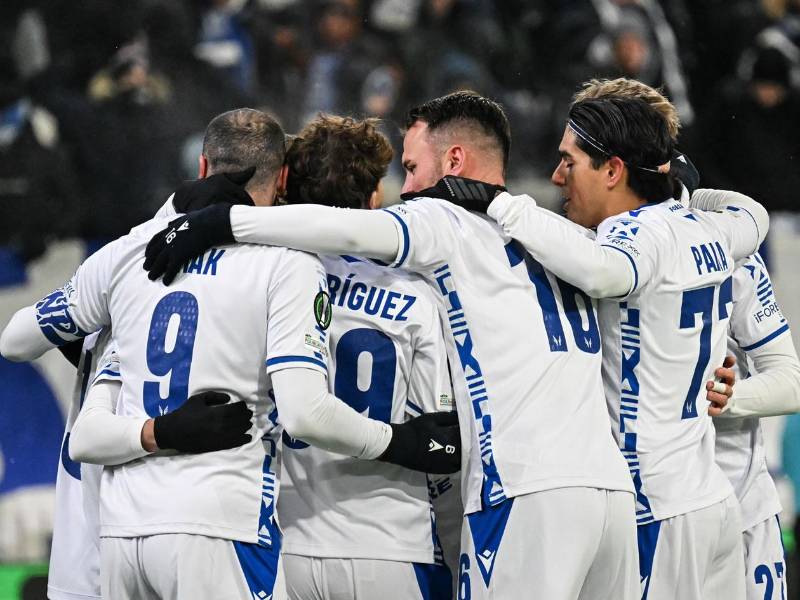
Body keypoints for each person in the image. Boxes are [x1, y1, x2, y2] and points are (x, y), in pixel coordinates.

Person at [143, 90, 640, 600]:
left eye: (412, 166)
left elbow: (348, 229)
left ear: (453, 161)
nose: (408, 188)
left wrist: (223, 221)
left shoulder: (440, 223)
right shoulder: (566, 240)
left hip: (519, 492)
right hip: (611, 494)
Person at [0, 108, 459, 600]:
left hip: (127, 528)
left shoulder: (132, 252)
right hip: (264, 526)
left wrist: (103, 345)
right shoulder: (304, 271)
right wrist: (406, 446)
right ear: (281, 180)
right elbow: (325, 414)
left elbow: (17, 341)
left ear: (201, 168)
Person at [485, 95, 769, 598]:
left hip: (655, 508)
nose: (556, 177)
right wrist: (678, 189)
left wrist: (502, 203)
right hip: (711, 501)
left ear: (613, 170)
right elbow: (754, 215)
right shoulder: (710, 228)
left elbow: (604, 272)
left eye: (569, 161)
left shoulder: (635, 236)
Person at [567, 76, 800, 600]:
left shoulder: (724, 252)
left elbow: (790, 382)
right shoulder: (588, 254)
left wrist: (726, 396)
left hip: (735, 510)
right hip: (640, 506)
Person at [278, 113, 457, 600]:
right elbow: (437, 435)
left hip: (286, 542)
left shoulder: (270, 280)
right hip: (391, 546)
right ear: (375, 198)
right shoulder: (417, 295)